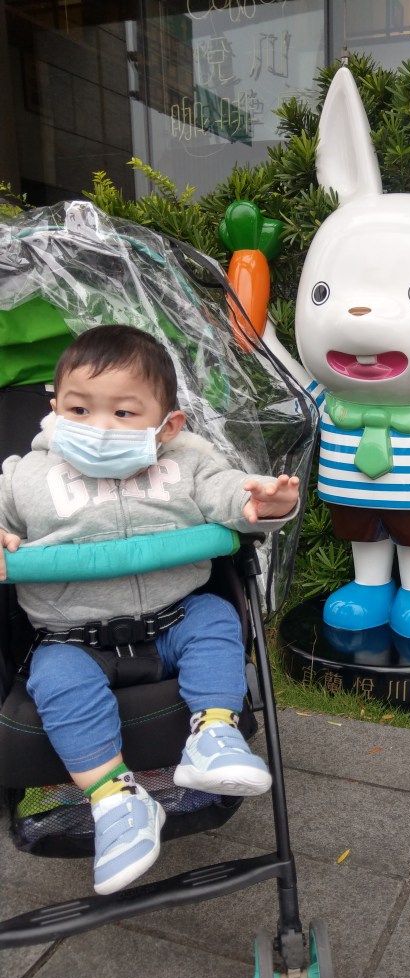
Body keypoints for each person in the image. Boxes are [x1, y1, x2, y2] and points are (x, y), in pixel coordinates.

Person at [0, 325, 300, 895]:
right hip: (72, 639)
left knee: (216, 619)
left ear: (168, 426)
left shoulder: (186, 464)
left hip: (173, 619)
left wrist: (262, 501)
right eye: (80, 410)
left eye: (123, 413)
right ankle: (117, 801)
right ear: (55, 409)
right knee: (54, 678)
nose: (98, 427)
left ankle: (213, 734)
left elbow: (228, 491)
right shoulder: (25, 476)